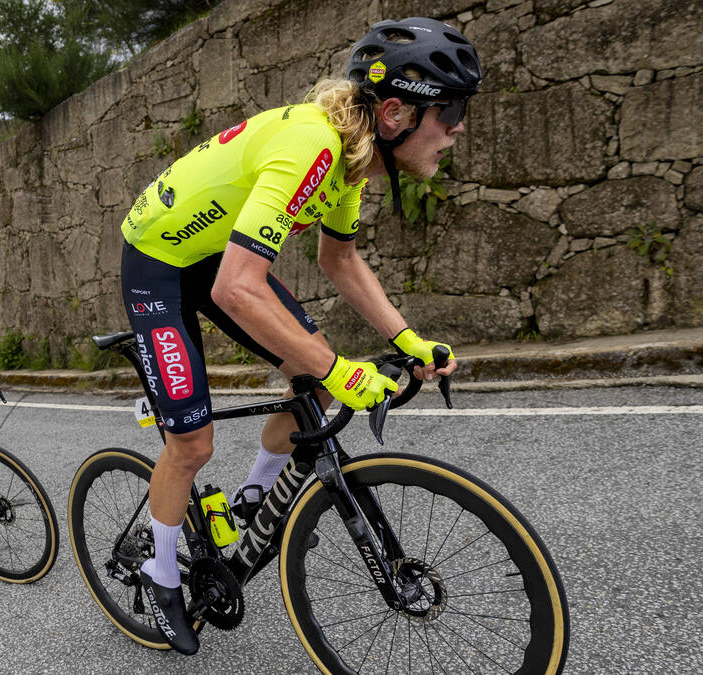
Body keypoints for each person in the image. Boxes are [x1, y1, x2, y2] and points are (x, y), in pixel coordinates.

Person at [117, 17, 479, 654]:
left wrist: (408, 341)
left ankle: (254, 498)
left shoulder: (350, 156)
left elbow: (339, 261)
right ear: (395, 114)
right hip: (158, 261)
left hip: (213, 255)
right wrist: (339, 368)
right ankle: (161, 566)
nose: (456, 128)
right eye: (448, 112)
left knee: (310, 377)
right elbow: (238, 288)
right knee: (192, 444)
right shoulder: (313, 144)